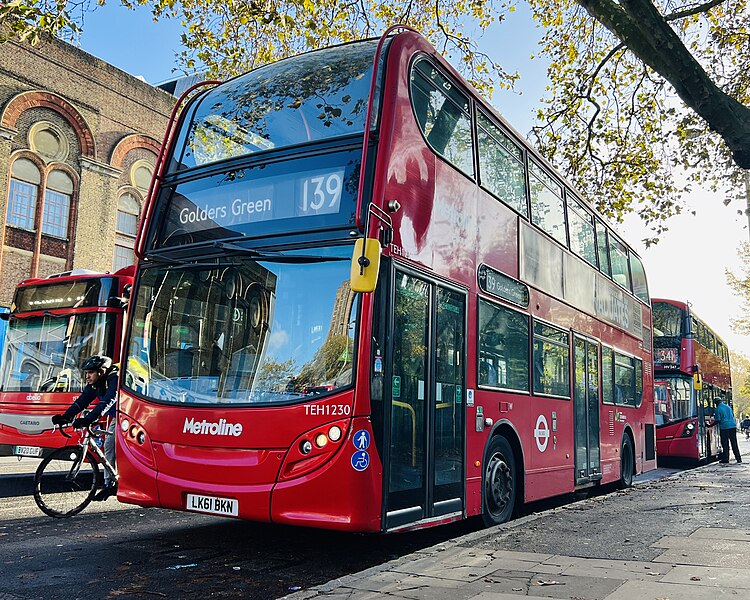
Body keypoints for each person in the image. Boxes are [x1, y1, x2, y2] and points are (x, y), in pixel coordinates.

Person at [51, 355, 119, 500]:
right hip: (118, 415)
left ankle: (116, 483)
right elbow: (82, 401)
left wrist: (88, 419)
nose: (87, 376)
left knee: (114, 445)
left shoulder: (114, 378)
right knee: (109, 445)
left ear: (101, 372)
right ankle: (110, 484)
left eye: (90, 373)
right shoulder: (96, 383)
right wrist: (66, 416)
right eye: (86, 373)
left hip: (132, 414)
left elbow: (108, 401)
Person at [711, 395, 742, 464]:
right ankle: (738, 458)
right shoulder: (728, 407)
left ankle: (726, 459)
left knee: (725, 444)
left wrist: (710, 425)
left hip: (724, 427)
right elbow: (732, 416)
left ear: (716, 403)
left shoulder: (718, 409)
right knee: (734, 443)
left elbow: (718, 420)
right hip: (732, 426)